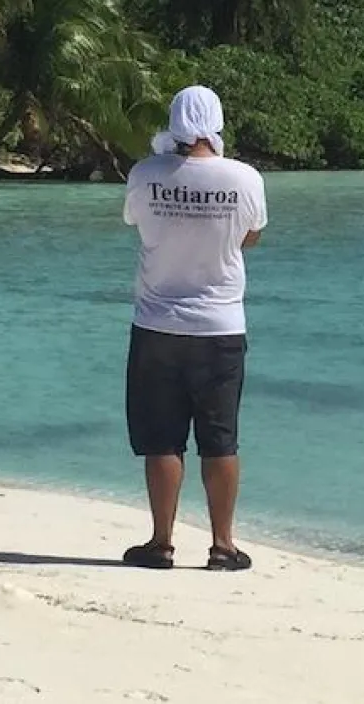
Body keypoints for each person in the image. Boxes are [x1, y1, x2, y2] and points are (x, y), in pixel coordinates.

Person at [121, 85, 267, 572]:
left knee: (162, 438)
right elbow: (251, 236)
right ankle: (223, 546)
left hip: (158, 324)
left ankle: (161, 543)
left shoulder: (145, 175)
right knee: (220, 438)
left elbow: (136, 225)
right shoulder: (244, 178)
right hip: (221, 326)